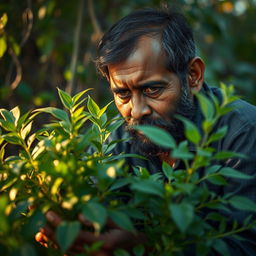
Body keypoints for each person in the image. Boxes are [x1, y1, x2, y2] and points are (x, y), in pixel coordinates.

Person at [36, 7, 256, 255]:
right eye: (123, 94)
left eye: (152, 90)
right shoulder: (116, 142)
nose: (137, 111)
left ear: (193, 76)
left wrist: (145, 245)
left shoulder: (244, 132)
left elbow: (245, 246)